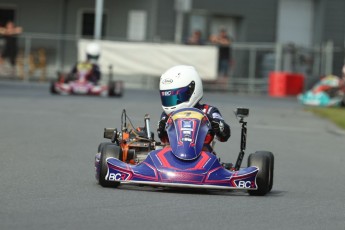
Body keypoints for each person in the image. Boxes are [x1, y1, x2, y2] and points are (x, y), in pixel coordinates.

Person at [157, 65, 231, 153]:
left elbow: (224, 136)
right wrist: (161, 130)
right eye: (168, 99)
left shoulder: (208, 111)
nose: (171, 102)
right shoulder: (166, 116)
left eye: (177, 97)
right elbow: (164, 140)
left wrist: (219, 126)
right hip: (173, 156)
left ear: (192, 90)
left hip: (203, 155)